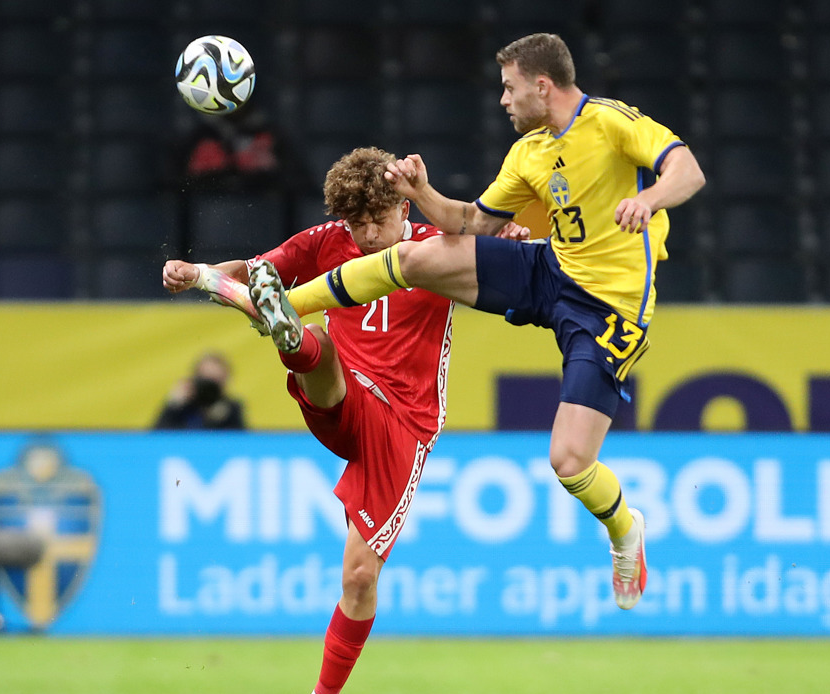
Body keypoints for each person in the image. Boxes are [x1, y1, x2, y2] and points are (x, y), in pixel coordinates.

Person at [248, 33, 706, 614]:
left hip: (609, 308)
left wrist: (651, 199)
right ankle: (286, 306)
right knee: (418, 258)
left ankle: (625, 530)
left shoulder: (612, 123)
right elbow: (470, 223)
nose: (503, 100)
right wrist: (422, 191)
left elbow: (688, 171)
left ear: (543, 85)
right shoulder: (529, 153)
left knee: (569, 462)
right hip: (551, 270)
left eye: (510, 88)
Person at [162, 146, 527, 694]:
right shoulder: (327, 242)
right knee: (318, 344)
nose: (366, 237)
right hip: (345, 398)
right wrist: (199, 271)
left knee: (359, 578)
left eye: (376, 222)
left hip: (404, 425)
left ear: (402, 208)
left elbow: (497, 246)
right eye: (355, 225)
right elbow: (254, 268)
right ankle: (290, 337)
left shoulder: (437, 248)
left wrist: (511, 239)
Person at [152, 352, 246, 430]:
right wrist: (173, 405)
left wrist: (215, 415)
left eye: (215, 381)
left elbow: (239, 440)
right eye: (205, 380)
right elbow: (157, 437)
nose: (209, 388)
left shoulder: (231, 408)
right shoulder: (182, 407)